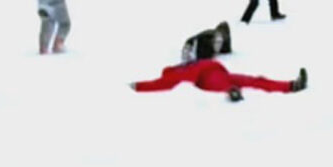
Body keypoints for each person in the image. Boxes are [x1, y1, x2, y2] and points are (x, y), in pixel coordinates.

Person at [131, 59, 307, 102]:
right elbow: (157, 84)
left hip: (219, 71)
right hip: (207, 77)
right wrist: (137, 86)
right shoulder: (171, 75)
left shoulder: (184, 65)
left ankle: (291, 85)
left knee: (255, 80)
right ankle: (232, 92)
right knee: (224, 84)